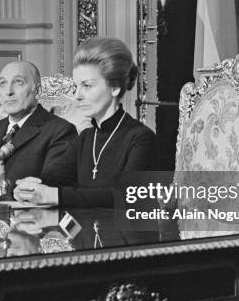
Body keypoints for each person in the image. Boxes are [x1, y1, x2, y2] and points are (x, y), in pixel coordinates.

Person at [13, 37, 159, 208]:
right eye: (76, 87)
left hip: (126, 233)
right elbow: (53, 178)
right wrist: (29, 187)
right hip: (86, 231)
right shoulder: (86, 138)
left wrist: (56, 196)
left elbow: (127, 196)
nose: (77, 95)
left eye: (87, 86)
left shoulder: (141, 138)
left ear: (115, 88)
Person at [0, 61, 77, 197]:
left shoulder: (60, 131)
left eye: (19, 82)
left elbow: (49, 188)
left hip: (27, 215)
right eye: (3, 83)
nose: (8, 91)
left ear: (37, 91)